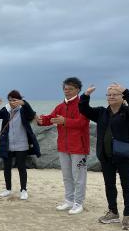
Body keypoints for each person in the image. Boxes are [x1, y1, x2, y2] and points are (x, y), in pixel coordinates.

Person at [79, 83, 129, 230]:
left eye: (115, 94)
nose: (111, 97)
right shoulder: (102, 113)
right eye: (109, 95)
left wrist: (127, 91)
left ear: (122, 97)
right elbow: (83, 109)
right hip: (106, 156)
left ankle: (127, 215)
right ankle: (113, 212)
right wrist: (86, 95)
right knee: (109, 185)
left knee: (127, 187)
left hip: (125, 156)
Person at [37, 77, 90, 215]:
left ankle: (78, 203)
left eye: (70, 89)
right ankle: (69, 200)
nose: (67, 91)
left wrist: (64, 121)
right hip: (63, 147)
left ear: (78, 89)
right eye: (65, 89)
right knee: (67, 176)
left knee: (79, 176)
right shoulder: (60, 106)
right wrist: (40, 120)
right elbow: (49, 118)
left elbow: (82, 123)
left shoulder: (82, 105)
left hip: (79, 147)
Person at [0, 90, 41, 200]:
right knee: (7, 167)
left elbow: (31, 114)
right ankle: (8, 189)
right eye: (10, 100)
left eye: (14, 100)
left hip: (21, 143)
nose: (12, 102)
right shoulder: (6, 110)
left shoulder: (23, 110)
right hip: (7, 143)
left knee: (21, 167)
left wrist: (24, 103)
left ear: (19, 100)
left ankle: (23, 190)